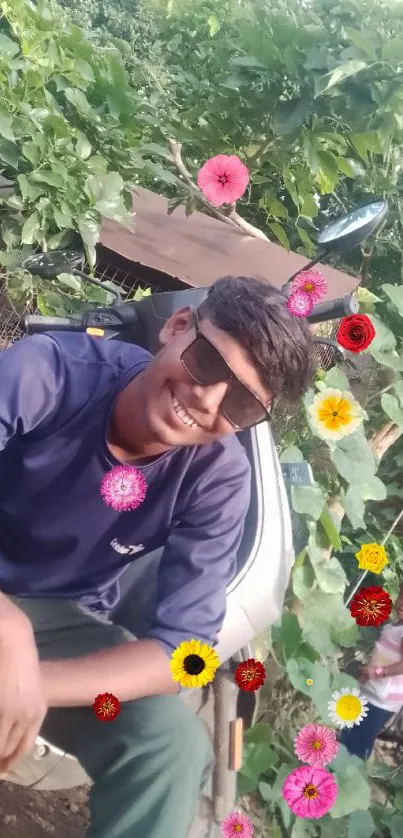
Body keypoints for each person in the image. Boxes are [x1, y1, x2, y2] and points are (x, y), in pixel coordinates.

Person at [0, 275, 313, 838]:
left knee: (171, 746)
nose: (208, 399)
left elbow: (180, 654)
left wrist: (28, 683)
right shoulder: (48, 374)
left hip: (56, 616)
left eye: (240, 402)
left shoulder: (217, 481)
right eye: (208, 363)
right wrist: (7, 628)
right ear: (176, 328)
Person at [340, 583, 403, 760]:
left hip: (383, 699)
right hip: (374, 691)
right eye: (402, 597)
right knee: (353, 733)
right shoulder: (395, 627)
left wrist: (377, 672)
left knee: (357, 741)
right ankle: (340, 771)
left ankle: (346, 776)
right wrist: (369, 672)